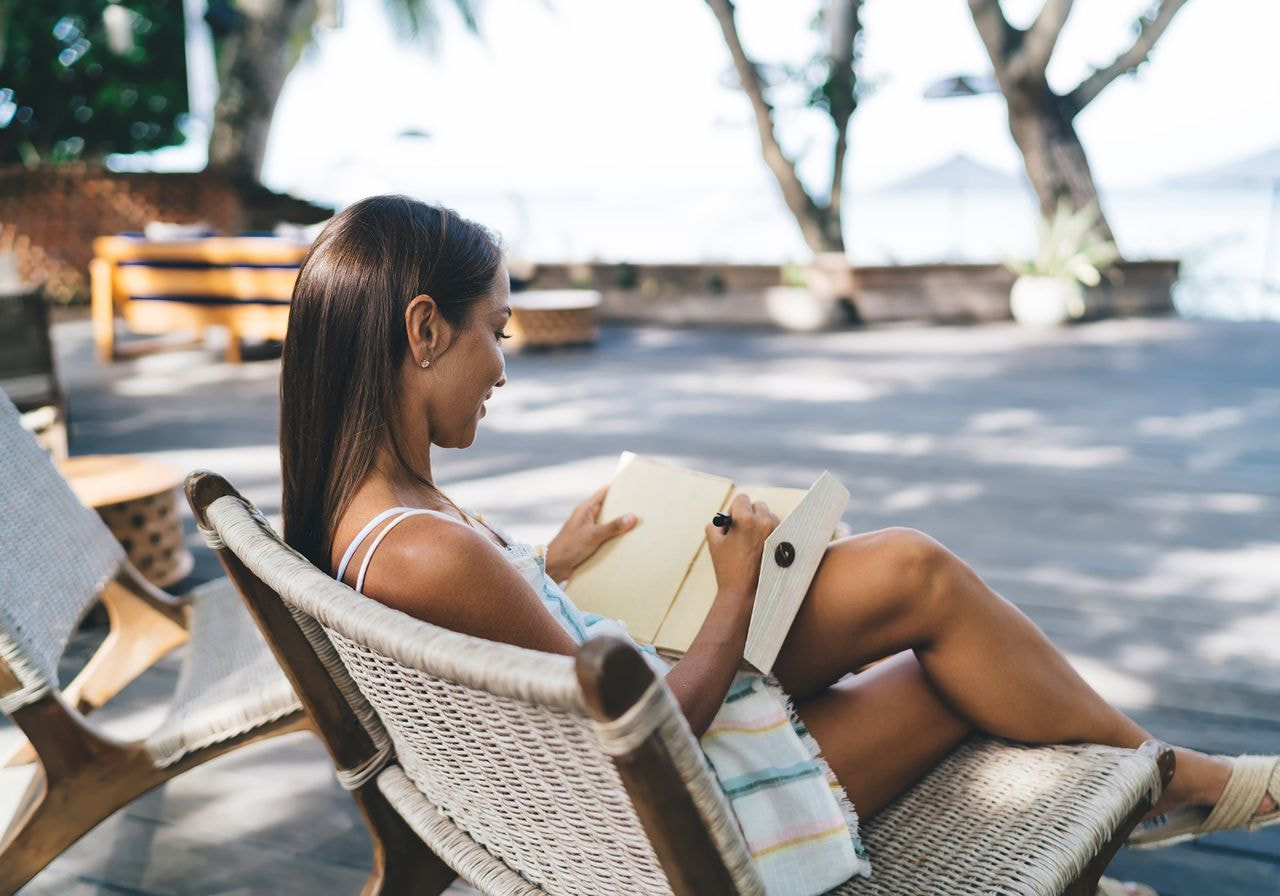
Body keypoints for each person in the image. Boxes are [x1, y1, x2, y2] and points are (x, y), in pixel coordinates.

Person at [278, 196, 1277, 889]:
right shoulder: (422, 547)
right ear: (421, 330)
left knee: (906, 573)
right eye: (495, 328)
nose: (503, 365)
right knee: (948, 653)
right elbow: (647, 736)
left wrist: (552, 561)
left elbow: (505, 645)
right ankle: (1167, 780)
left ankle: (1159, 780)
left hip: (595, 763)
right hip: (669, 825)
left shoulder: (368, 516)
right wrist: (730, 589)